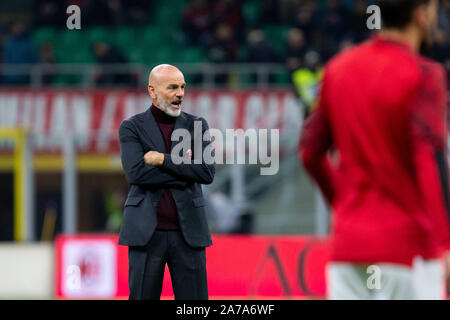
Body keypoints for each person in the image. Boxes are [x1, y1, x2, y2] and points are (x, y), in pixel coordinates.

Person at [298, 0, 449, 299]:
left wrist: (343, 206)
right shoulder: (424, 74)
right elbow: (428, 161)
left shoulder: (338, 68)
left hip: (349, 251)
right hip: (408, 251)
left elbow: (309, 152)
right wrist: (446, 242)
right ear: (421, 14)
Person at [118, 64, 215, 300]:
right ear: (152, 91)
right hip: (146, 234)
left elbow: (206, 172)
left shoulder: (197, 125)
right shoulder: (131, 127)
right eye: (172, 87)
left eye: (182, 87)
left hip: (188, 234)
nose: (180, 93)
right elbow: (137, 174)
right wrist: (184, 171)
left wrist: (163, 159)